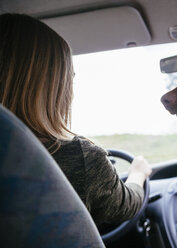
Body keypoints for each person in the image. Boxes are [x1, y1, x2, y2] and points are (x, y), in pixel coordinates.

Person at [0, 13, 152, 225]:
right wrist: (138, 173)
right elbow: (126, 206)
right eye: (69, 78)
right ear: (54, 87)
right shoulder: (80, 157)